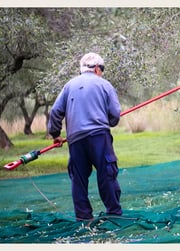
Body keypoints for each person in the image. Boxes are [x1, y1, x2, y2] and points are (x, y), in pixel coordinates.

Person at [48, 52, 122, 221]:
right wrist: (109, 121)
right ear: (97, 69)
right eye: (102, 69)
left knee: (79, 179)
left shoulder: (68, 86)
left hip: (75, 140)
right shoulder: (104, 85)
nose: (102, 72)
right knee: (106, 173)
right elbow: (115, 114)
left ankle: (83, 219)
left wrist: (55, 134)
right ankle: (114, 214)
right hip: (99, 136)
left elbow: (55, 112)